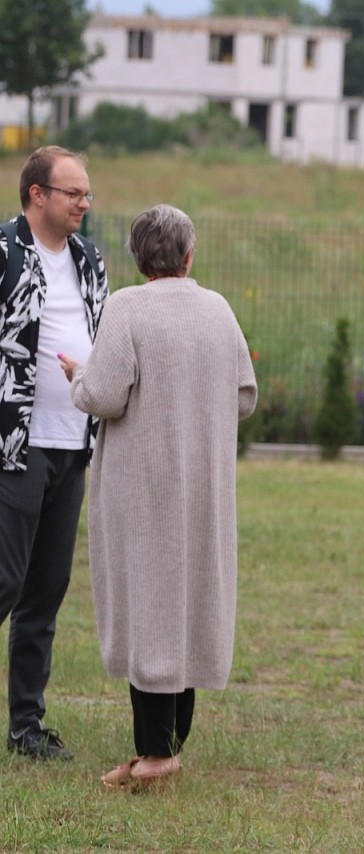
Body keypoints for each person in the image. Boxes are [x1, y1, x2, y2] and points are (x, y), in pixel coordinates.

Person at [61, 204, 256, 788]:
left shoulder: (127, 306)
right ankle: (166, 746)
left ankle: (155, 755)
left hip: (144, 485)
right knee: (190, 602)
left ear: (138, 257)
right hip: (203, 482)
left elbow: (103, 394)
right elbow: (244, 395)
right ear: (190, 255)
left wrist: (77, 372)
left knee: (147, 604)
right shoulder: (218, 308)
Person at [0, 146, 108, 761]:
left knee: (46, 589)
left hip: (73, 444)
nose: (84, 203)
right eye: (73, 193)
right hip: (14, 444)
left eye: (87, 193)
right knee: (6, 580)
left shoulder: (91, 259)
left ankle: (27, 728)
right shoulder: (4, 252)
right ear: (37, 194)